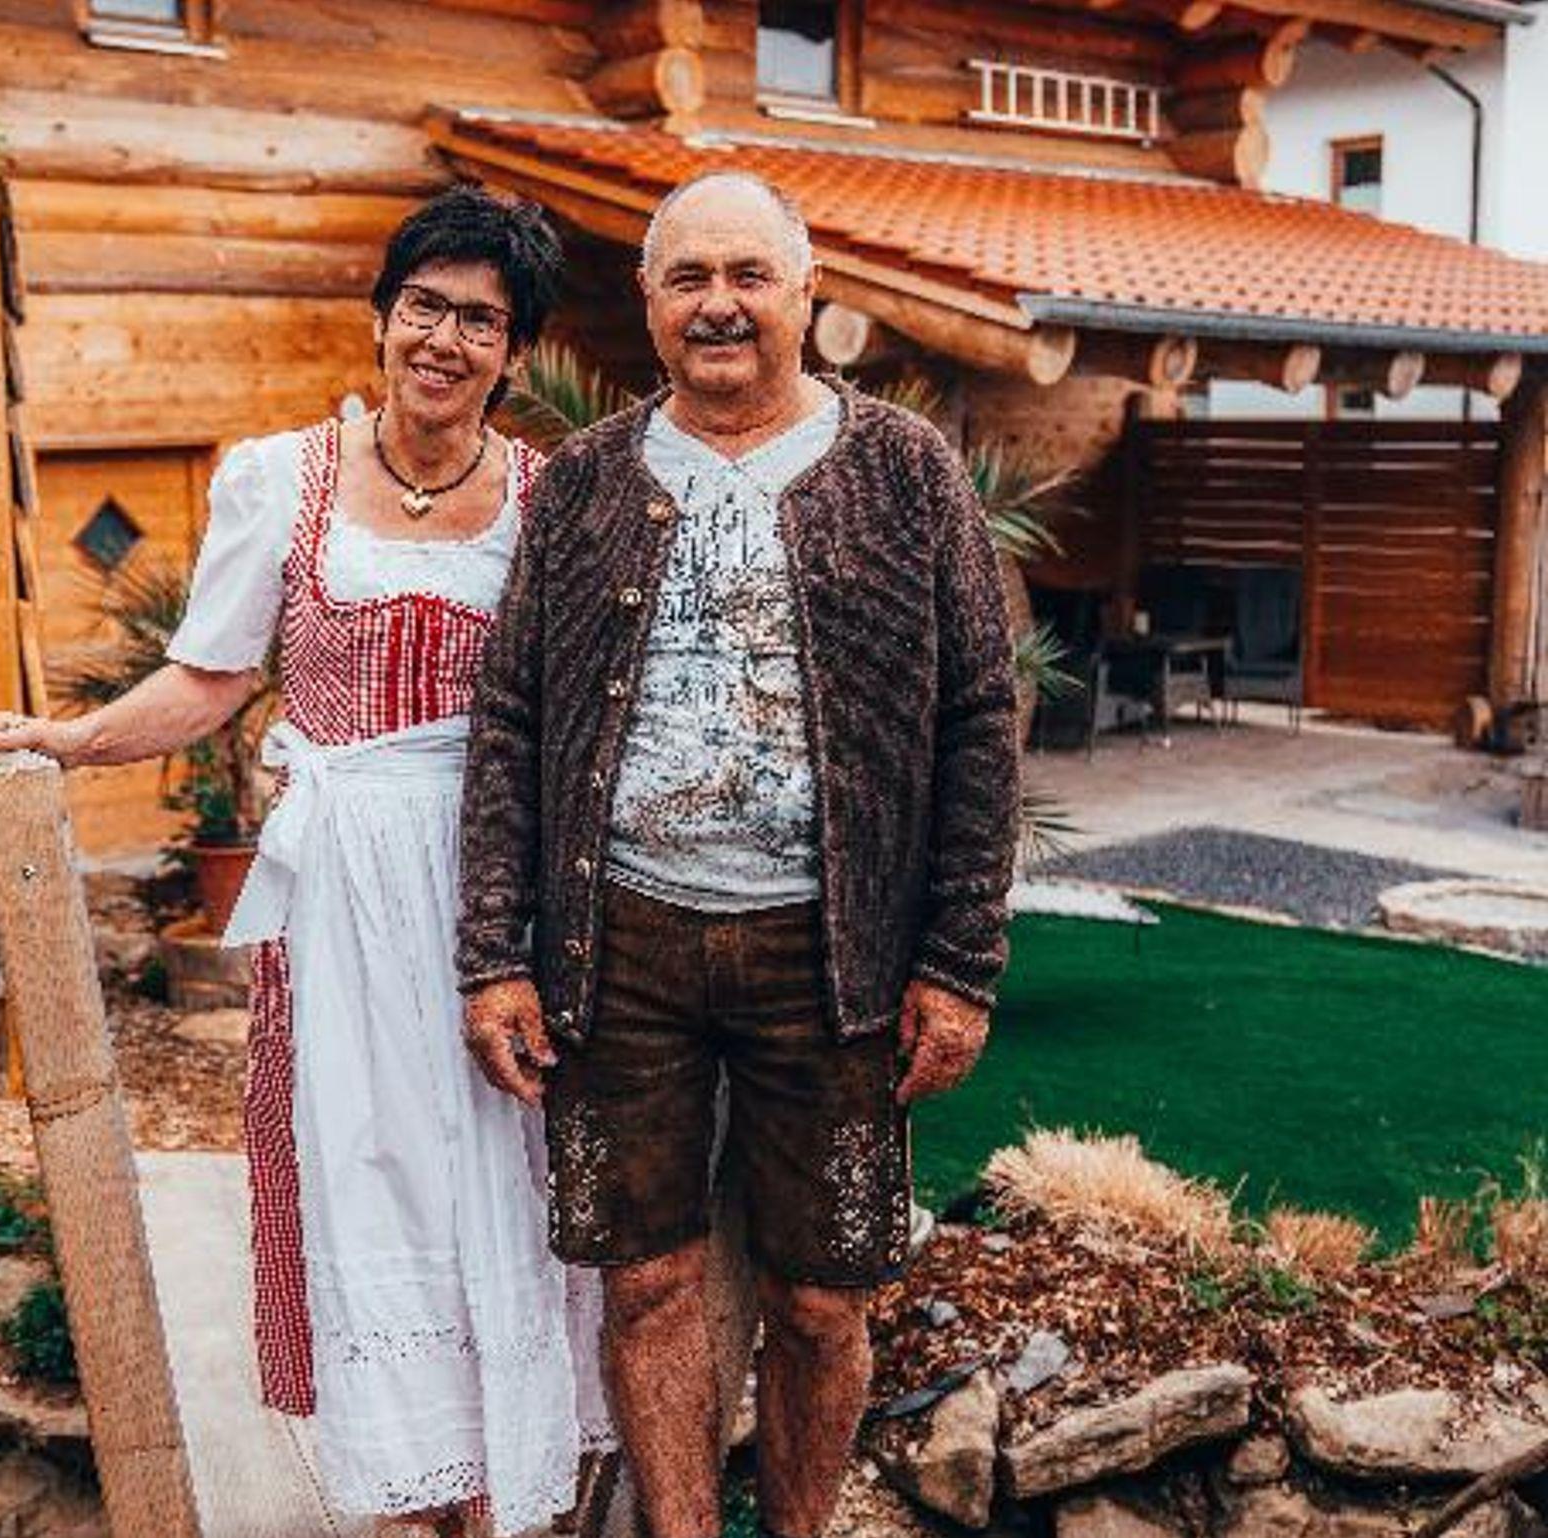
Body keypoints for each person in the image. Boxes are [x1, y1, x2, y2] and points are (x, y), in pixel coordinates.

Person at [0, 186, 610, 1535]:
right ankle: (406, 1487)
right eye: (425, 306)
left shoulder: (547, 498)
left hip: (494, 879)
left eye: (481, 320)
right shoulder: (284, 478)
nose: (445, 339)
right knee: (365, 1163)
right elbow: (210, 678)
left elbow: (579, 708)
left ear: (512, 351)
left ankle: (506, 1481)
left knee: (504, 1164)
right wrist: (74, 737)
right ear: (383, 317)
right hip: (343, 893)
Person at [454, 172, 1019, 1538]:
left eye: (749, 275)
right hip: (621, 948)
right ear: (648, 302)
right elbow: (512, 715)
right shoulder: (586, 481)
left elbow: (979, 714)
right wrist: (493, 955)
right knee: (645, 1283)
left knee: (823, 1298)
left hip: (834, 956)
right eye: (690, 277)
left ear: (805, 294)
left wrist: (959, 963)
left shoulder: (905, 470)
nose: (720, 303)